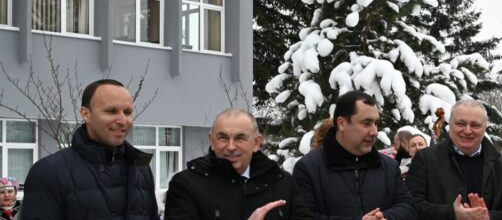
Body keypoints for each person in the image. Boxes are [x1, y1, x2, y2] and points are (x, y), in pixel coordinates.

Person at [20, 79, 159, 219]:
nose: (123, 120)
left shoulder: (141, 168)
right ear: (86, 114)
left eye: (128, 112)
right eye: (111, 111)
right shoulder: (48, 172)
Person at [164, 108, 312, 219]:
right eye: (223, 138)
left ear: (257, 143)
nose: (231, 147)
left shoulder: (282, 182)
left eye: (240, 138)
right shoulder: (186, 185)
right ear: (212, 141)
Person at [293, 91, 415, 219]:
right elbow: (302, 217)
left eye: (376, 123)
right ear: (342, 123)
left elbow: (408, 206)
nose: (374, 132)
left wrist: (385, 217)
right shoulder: (308, 168)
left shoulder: (389, 166)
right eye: (366, 123)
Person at [407, 99, 502, 219]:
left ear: (485, 128)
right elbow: (410, 206)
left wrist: (488, 217)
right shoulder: (425, 159)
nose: (468, 130)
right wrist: (451, 213)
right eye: (460, 123)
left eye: (475, 125)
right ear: (450, 125)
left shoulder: (499, 164)